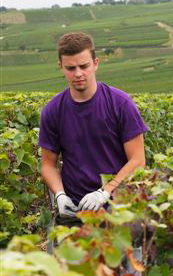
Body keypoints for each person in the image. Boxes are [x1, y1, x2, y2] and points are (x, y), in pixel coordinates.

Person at [39, 32, 148, 225]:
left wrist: (105, 192)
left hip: (118, 208)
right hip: (75, 210)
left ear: (96, 63)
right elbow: (48, 164)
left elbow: (138, 160)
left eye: (84, 66)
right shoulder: (53, 111)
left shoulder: (121, 104)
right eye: (71, 68)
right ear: (61, 67)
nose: (78, 73)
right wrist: (60, 195)